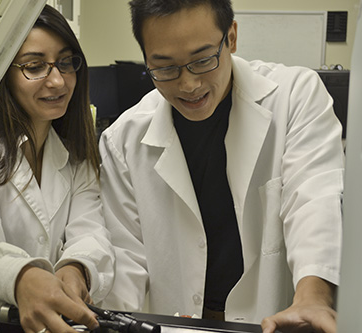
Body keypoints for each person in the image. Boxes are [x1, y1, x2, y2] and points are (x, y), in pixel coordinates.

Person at [98, 1, 344, 332]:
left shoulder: (295, 97)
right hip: (177, 322)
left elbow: (314, 198)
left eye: (202, 60)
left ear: (231, 37)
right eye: (165, 67)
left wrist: (313, 297)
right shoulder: (122, 140)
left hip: (273, 317)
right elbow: (125, 258)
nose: (188, 85)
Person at [0, 5, 114, 333]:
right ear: (2, 75)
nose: (57, 80)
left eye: (66, 62)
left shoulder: (75, 156)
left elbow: (91, 231)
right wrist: (21, 277)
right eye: (34, 66)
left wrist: (76, 267)